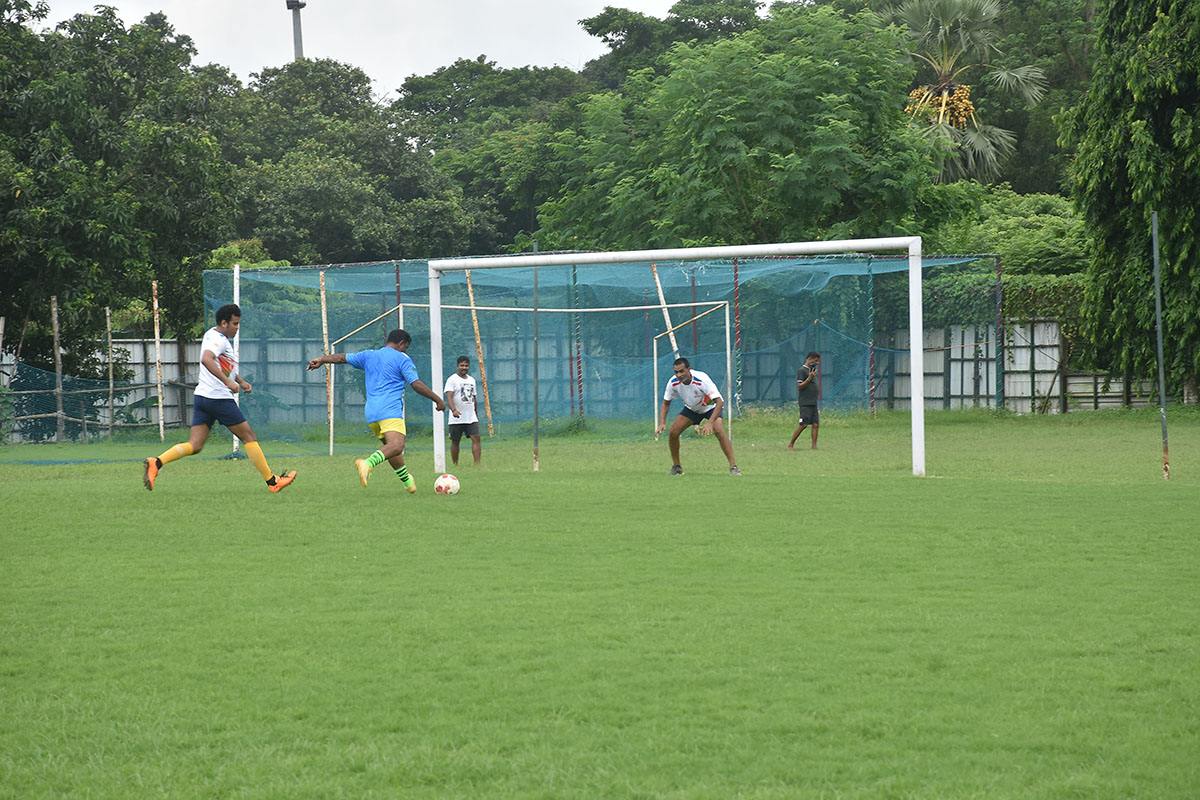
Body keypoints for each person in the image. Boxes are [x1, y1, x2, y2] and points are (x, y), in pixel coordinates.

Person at [143, 303, 296, 493]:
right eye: (235, 324)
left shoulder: (211, 334)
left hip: (202, 397)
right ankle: (273, 482)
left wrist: (240, 381)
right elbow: (207, 359)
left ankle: (156, 462)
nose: (237, 328)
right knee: (249, 436)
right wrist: (228, 383)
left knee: (195, 445)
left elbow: (221, 365)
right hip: (218, 399)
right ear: (224, 323)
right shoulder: (220, 340)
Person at [306, 328, 445, 493]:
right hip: (390, 410)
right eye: (406, 347)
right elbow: (416, 384)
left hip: (372, 413)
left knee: (390, 449)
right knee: (397, 446)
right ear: (401, 344)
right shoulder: (402, 358)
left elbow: (341, 357)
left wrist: (322, 359)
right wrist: (438, 399)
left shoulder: (369, 355)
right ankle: (367, 464)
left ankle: (408, 482)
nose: (405, 351)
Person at [655, 356, 741, 476]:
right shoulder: (673, 382)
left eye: (681, 371)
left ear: (688, 369)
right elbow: (666, 403)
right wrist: (662, 422)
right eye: (676, 372)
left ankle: (733, 467)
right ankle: (677, 467)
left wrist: (710, 423)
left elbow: (720, 402)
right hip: (692, 409)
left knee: (718, 430)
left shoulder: (701, 380)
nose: (679, 375)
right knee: (673, 432)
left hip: (711, 408)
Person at [443, 355, 482, 466]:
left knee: (476, 438)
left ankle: (478, 464)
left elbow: (474, 397)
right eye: (462, 365)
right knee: (455, 440)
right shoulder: (452, 380)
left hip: (471, 417)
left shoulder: (472, 380)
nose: (464, 368)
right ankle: (455, 464)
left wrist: (475, 413)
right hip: (457, 417)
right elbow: (449, 396)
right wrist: (454, 410)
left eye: (466, 365)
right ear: (457, 366)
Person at [788, 351, 821, 450]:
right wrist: (809, 378)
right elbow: (800, 386)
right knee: (804, 424)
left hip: (813, 403)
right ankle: (791, 444)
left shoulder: (812, 371)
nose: (817, 363)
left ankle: (814, 446)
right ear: (810, 359)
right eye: (816, 361)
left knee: (815, 424)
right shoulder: (802, 371)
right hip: (805, 403)